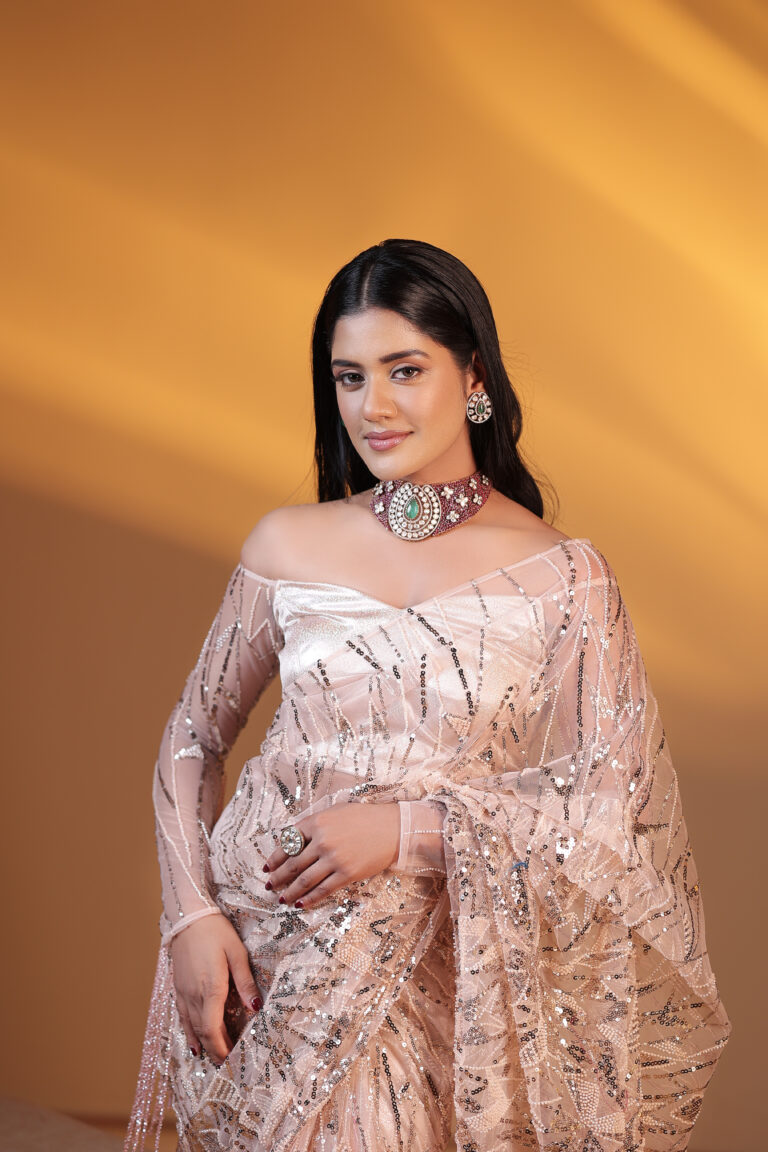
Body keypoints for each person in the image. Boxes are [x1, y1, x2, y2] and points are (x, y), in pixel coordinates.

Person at [125, 239, 730, 1152]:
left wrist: (407, 831)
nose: (373, 406)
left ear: (473, 375)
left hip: (458, 984)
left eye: (405, 370)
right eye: (350, 376)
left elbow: (608, 812)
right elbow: (192, 737)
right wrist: (192, 917)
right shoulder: (287, 545)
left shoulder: (565, 578)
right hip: (276, 967)